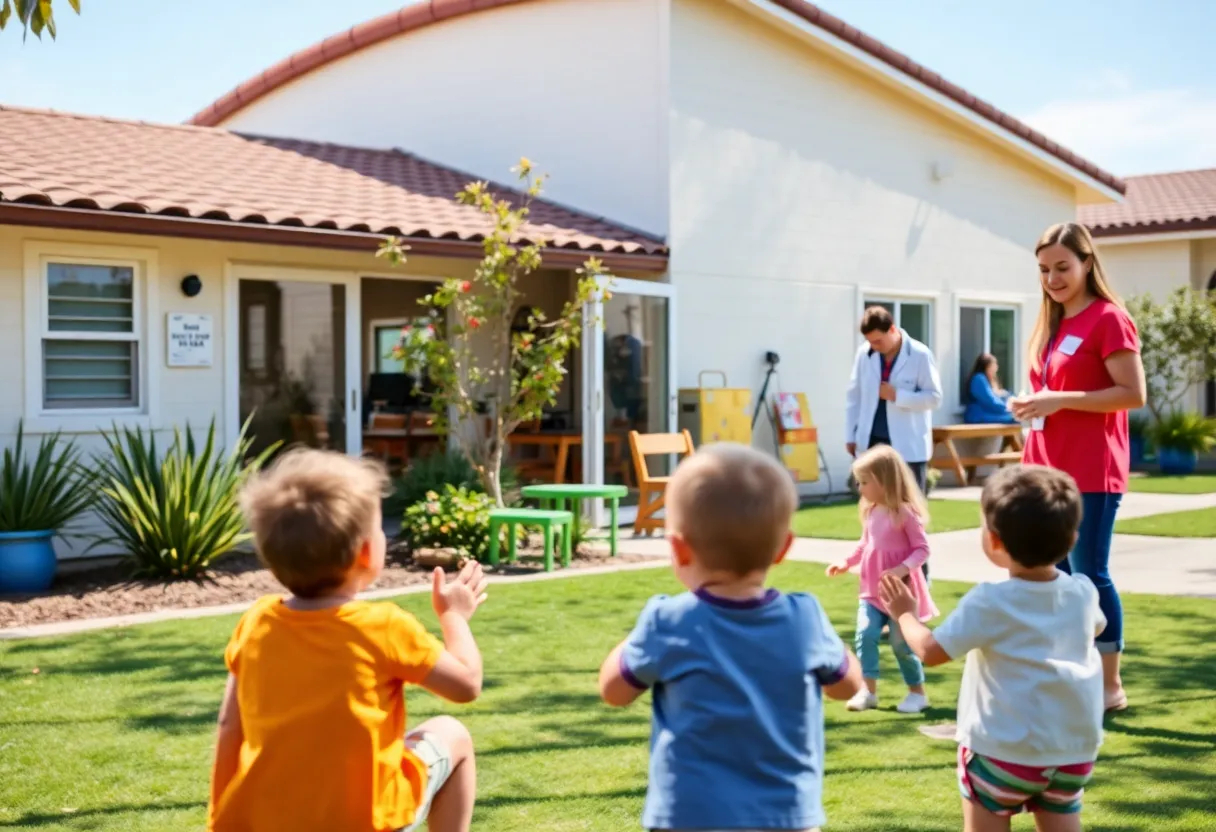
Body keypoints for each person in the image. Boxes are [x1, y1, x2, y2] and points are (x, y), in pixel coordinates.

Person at [208, 449, 487, 832]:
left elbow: (229, 727)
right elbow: (467, 685)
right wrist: (454, 616)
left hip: (272, 821)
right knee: (453, 735)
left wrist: (224, 821)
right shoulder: (383, 626)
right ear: (367, 552)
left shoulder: (255, 624)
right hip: (368, 821)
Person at [597, 443, 864, 832]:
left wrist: (645, 629)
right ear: (784, 548)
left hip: (690, 818)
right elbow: (848, 686)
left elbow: (613, 690)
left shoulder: (668, 620)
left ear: (678, 549)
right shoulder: (805, 618)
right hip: (786, 817)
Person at [879, 465, 1105, 832]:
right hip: (1071, 754)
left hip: (1001, 754)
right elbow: (1095, 627)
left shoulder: (990, 601)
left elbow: (932, 652)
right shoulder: (1082, 592)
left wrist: (905, 615)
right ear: (1072, 538)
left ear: (995, 541)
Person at [1008, 221, 1146, 712]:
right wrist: (1032, 406)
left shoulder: (1109, 318)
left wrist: (1057, 399)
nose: (1052, 278)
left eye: (1062, 267)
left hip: (1091, 470)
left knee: (1089, 576)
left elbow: (1132, 394)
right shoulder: (1052, 324)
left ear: (1087, 263)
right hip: (1045, 472)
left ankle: (1111, 685)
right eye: (1044, 269)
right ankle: (1070, 675)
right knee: (1055, 578)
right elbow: (1051, 398)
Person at [825, 445, 938, 714]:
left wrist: (902, 569)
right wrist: (846, 562)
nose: (859, 487)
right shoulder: (872, 512)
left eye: (865, 482)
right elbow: (865, 545)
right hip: (871, 591)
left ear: (885, 481)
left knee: (901, 645)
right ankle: (868, 691)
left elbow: (922, 549)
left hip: (900, 595)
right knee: (865, 634)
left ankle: (916, 693)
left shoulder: (906, 514)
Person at [845, 306, 943, 496]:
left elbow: (934, 398)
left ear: (892, 329)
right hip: (872, 442)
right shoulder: (864, 354)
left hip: (907, 446)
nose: (874, 346)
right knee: (873, 507)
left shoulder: (920, 355)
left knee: (910, 508)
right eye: (869, 341)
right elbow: (853, 396)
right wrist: (850, 435)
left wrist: (898, 396)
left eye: (878, 341)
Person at [963, 353, 1017, 425]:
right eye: (994, 365)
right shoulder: (979, 378)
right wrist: (1009, 409)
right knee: (1014, 418)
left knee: (1015, 418)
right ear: (987, 366)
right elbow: (990, 401)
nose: (997, 368)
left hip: (986, 414)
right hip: (977, 417)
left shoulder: (985, 380)